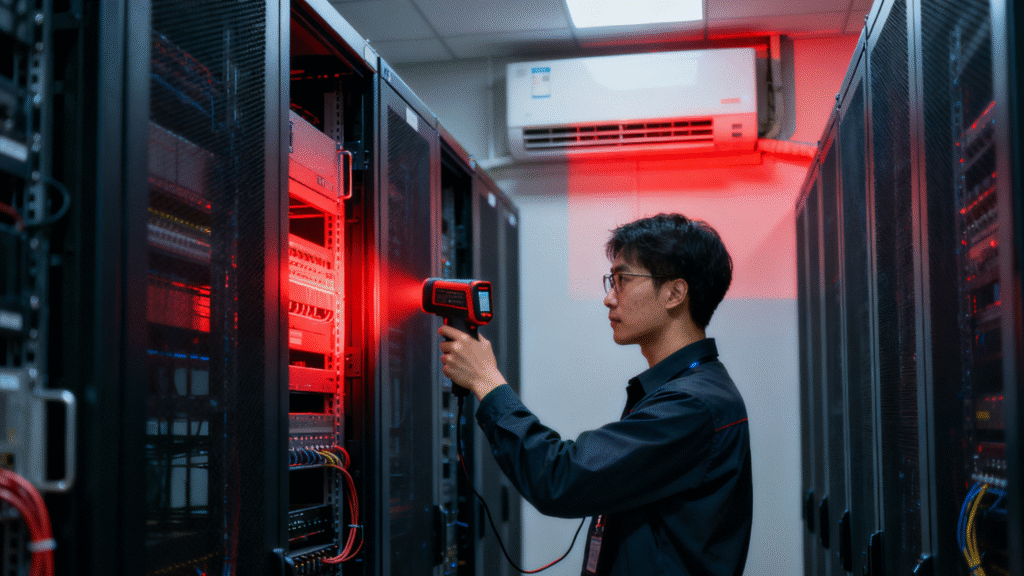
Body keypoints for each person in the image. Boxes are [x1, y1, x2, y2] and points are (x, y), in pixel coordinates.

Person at [438, 213, 752, 576]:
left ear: (674, 293)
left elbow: (562, 479)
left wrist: (487, 382)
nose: (608, 298)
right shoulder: (683, 391)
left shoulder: (693, 405)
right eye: (611, 281)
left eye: (622, 280)